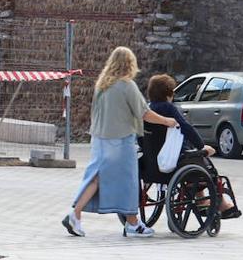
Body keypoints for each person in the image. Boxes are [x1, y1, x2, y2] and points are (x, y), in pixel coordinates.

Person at [63, 47, 179, 238]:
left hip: (99, 138)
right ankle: (133, 224)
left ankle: (75, 214)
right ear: (130, 64)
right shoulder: (127, 85)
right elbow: (144, 113)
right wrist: (167, 121)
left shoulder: (102, 85)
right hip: (120, 140)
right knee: (129, 182)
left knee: (96, 177)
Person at [146, 73, 240, 219]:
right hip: (172, 160)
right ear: (169, 93)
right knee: (207, 167)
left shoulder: (148, 109)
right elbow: (186, 128)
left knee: (194, 161)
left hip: (151, 160)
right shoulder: (167, 108)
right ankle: (221, 203)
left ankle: (199, 195)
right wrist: (202, 146)